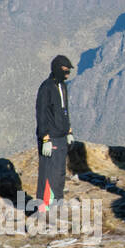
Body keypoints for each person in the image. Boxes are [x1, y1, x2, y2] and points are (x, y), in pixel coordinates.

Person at [35, 55, 75, 212]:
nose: (67, 75)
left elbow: (65, 111)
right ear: (57, 69)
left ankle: (57, 205)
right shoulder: (46, 88)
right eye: (65, 71)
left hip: (62, 137)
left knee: (59, 173)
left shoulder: (63, 86)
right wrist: (45, 138)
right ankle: (44, 208)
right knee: (48, 174)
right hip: (50, 138)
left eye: (68, 72)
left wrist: (69, 130)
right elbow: (41, 114)